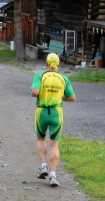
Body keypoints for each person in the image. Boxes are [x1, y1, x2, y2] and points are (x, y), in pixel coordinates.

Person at [31, 53, 76, 187]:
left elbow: (35, 92)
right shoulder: (64, 78)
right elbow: (72, 97)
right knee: (54, 144)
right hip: (57, 112)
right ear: (58, 64)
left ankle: (43, 166)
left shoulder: (40, 76)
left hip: (42, 111)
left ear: (46, 63)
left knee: (40, 139)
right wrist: (60, 98)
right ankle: (53, 175)